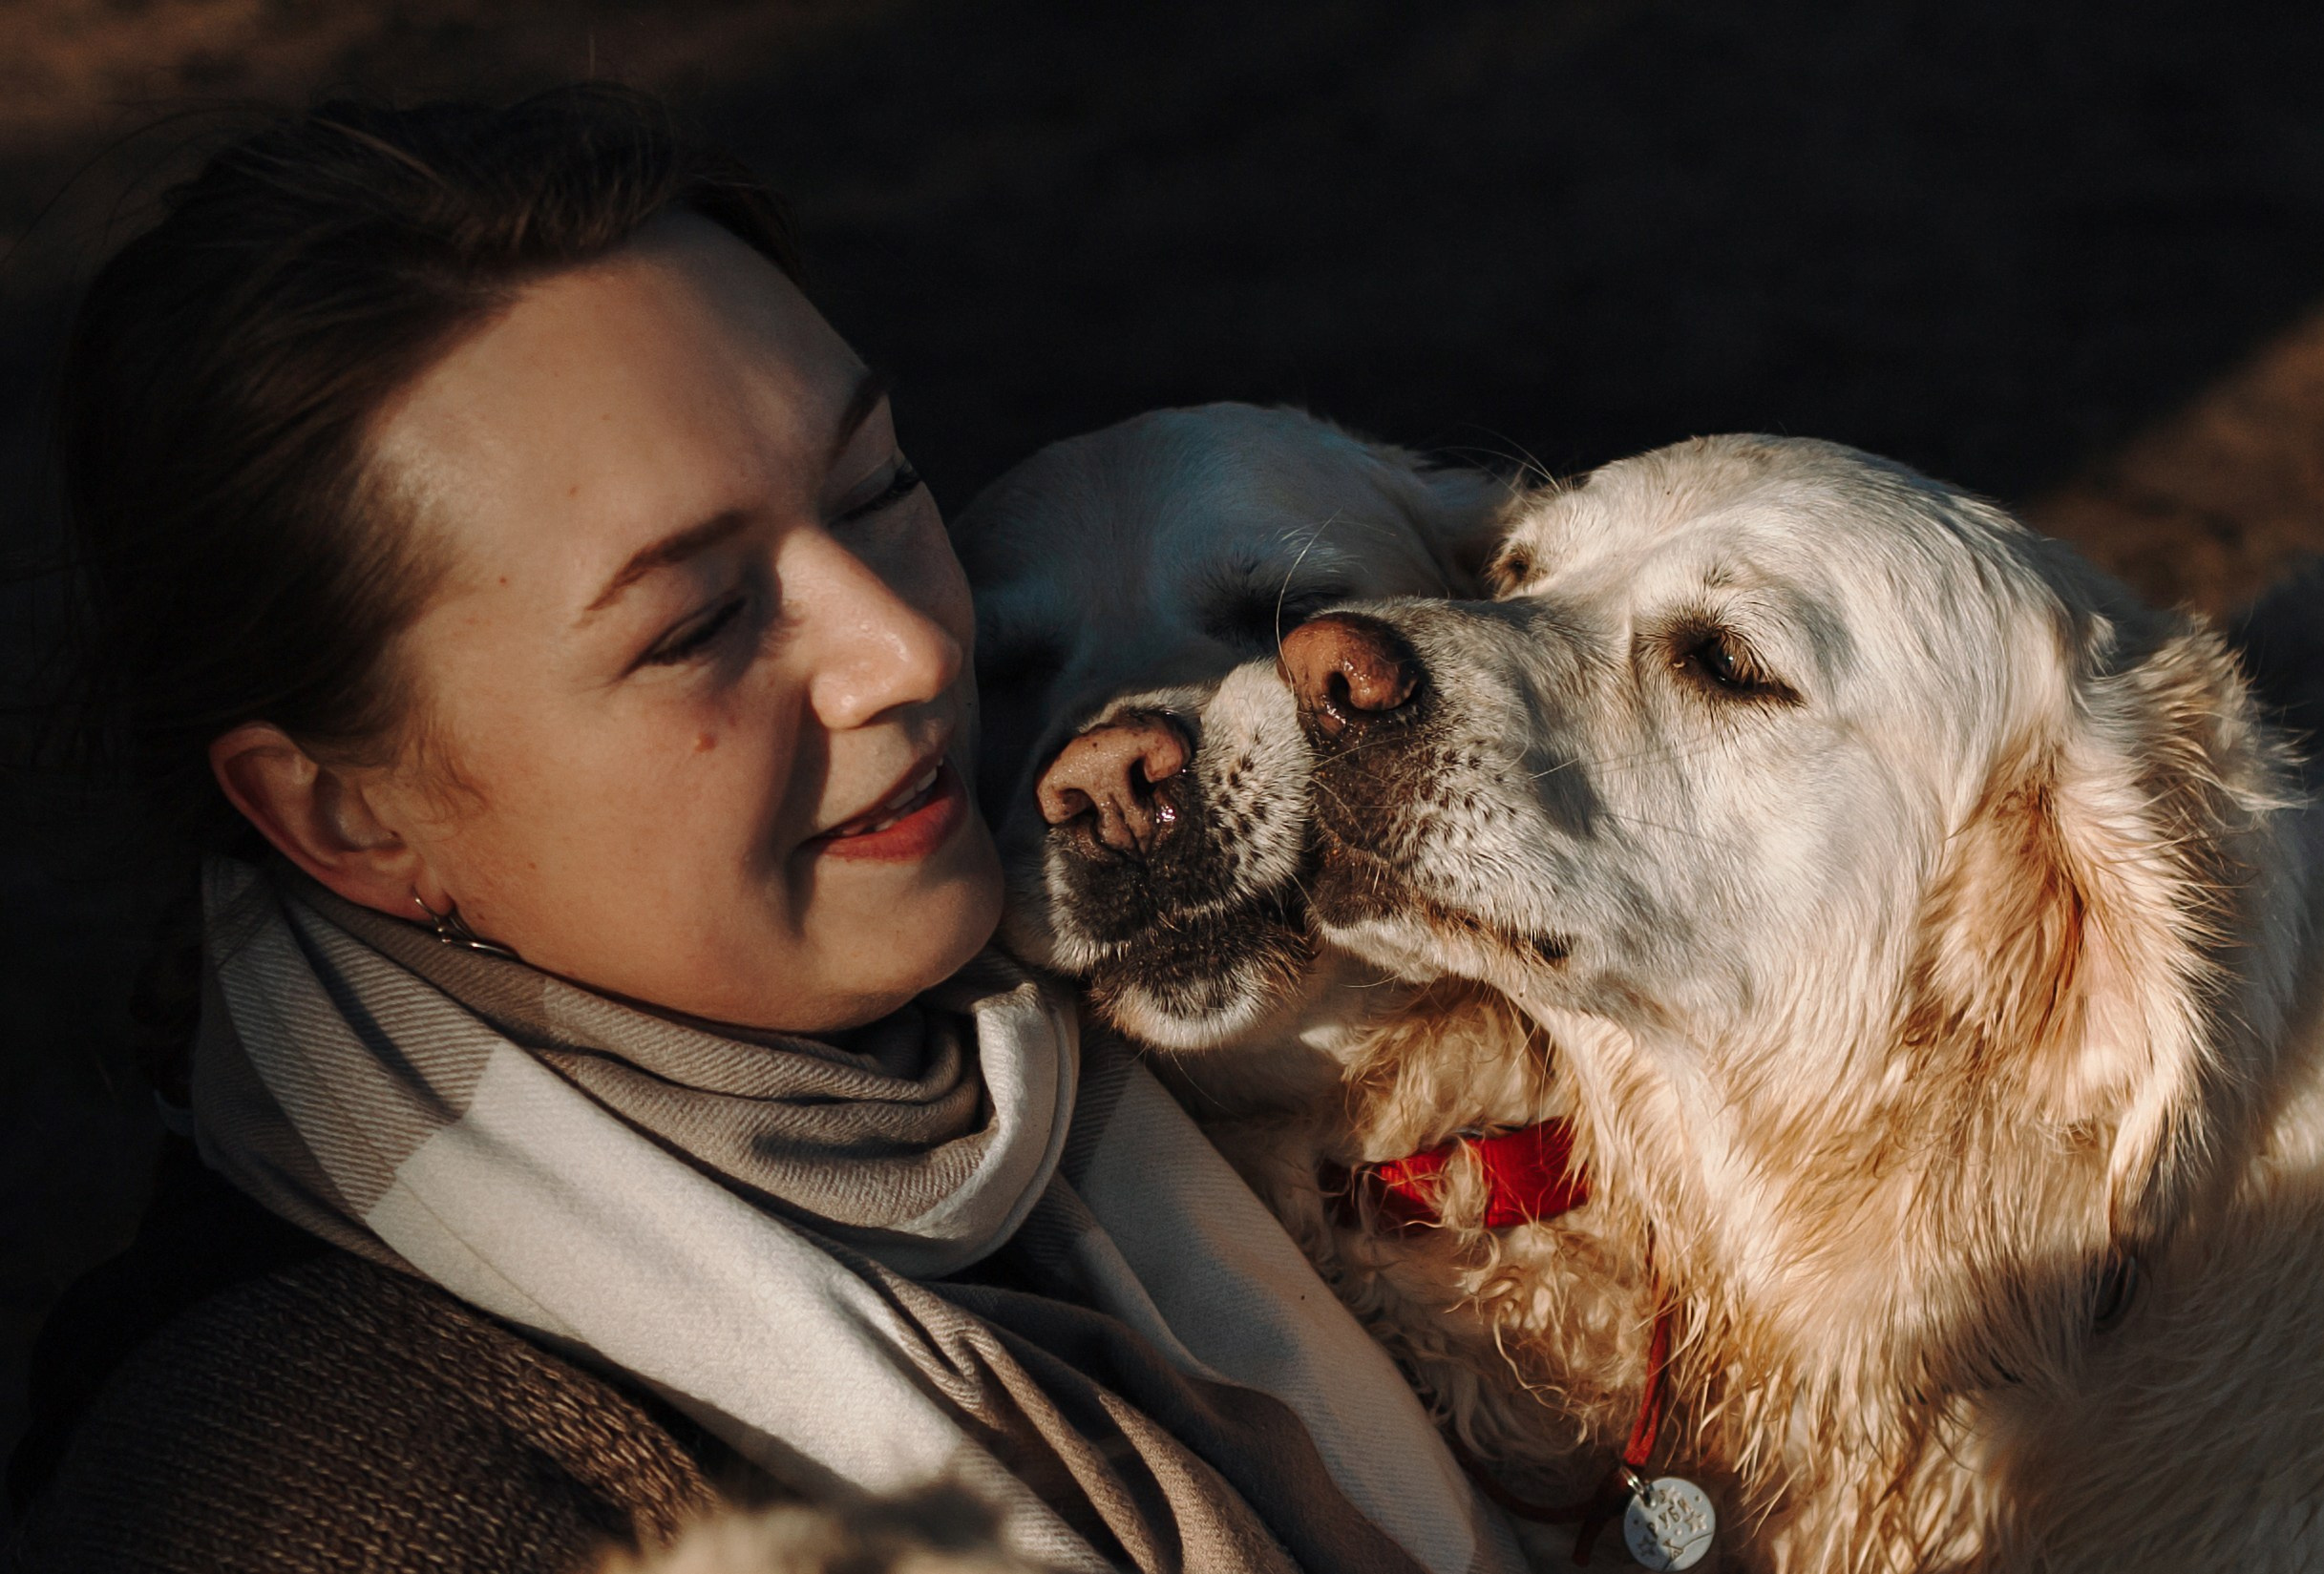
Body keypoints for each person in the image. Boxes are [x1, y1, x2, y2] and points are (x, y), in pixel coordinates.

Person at [3, 87, 1525, 1574]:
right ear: (348, 812)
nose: (913, 652)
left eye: (874, 491)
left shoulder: (1084, 1095)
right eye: (699, 621)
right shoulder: (322, 1492)